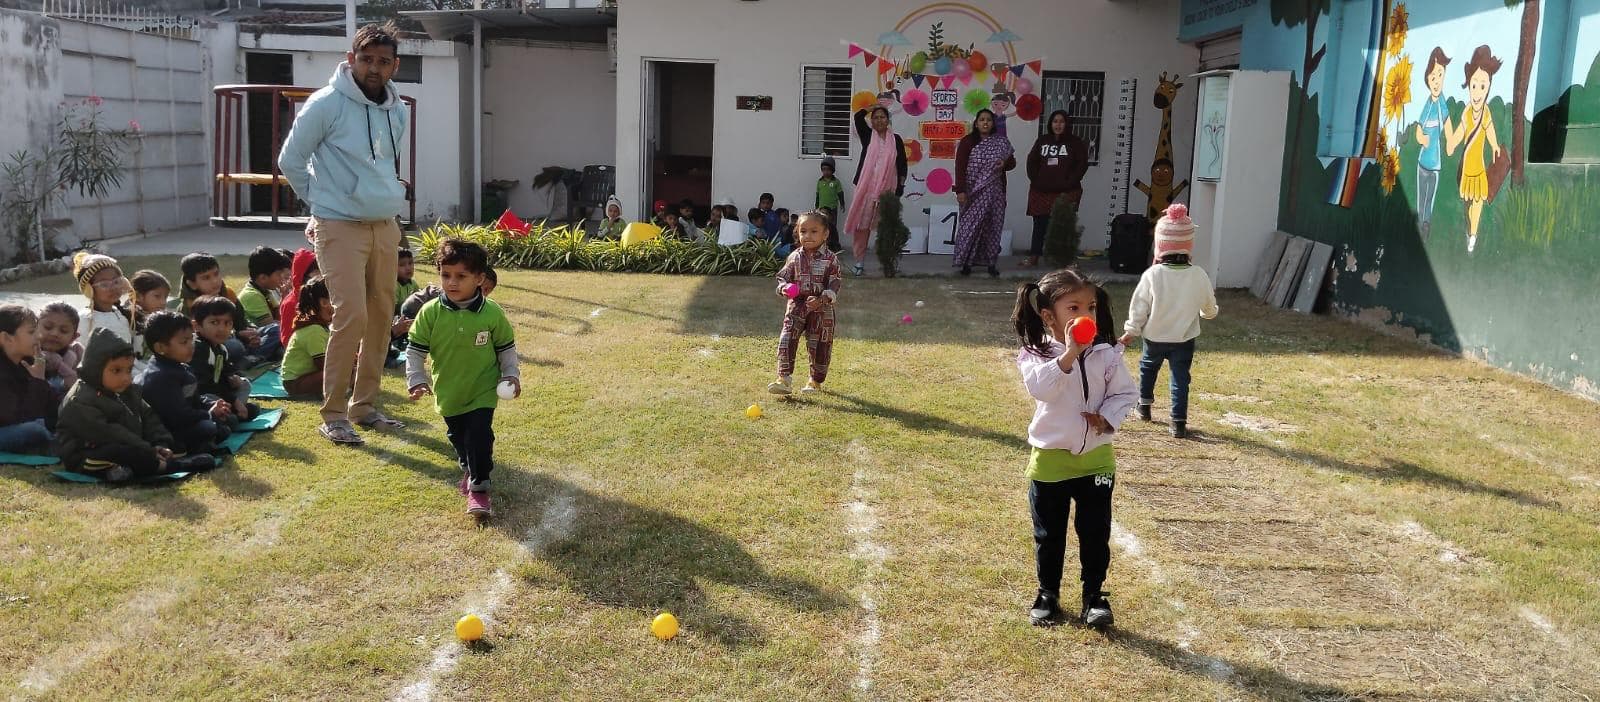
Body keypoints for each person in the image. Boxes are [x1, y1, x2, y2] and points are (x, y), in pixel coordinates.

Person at [278, 21, 411, 445]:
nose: (374, 68)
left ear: (394, 66)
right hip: (338, 225)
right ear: (351, 59)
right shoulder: (325, 104)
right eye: (367, 59)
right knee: (350, 313)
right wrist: (322, 204)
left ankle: (365, 406)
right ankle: (334, 412)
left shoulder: (398, 108)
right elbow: (291, 160)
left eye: (383, 61)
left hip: (384, 225)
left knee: (380, 314)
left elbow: (385, 164)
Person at [1013, 268, 1138, 628]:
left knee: (1095, 533)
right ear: (1049, 316)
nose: (1086, 315)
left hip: (1096, 461)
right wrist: (1069, 353)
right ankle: (1048, 593)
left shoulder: (1106, 354)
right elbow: (1042, 390)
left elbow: (1125, 393)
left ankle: (1094, 595)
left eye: (1092, 306)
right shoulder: (1035, 354)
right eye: (1074, 307)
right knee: (1049, 534)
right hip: (1051, 460)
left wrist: (1108, 417)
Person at [405, 239, 520, 517]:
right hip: (449, 391)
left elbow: (506, 347)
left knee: (480, 435)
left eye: (461, 276)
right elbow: (415, 350)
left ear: (479, 278)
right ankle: (469, 467)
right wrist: (417, 378)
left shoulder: (492, 313)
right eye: (446, 275)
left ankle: (479, 490)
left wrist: (511, 375)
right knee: (459, 437)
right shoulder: (430, 313)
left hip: (482, 389)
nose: (451, 283)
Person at [54, 327, 214, 480]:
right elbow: (109, 433)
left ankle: (124, 471)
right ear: (95, 369)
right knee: (122, 452)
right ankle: (170, 467)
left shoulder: (127, 390)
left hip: (133, 443)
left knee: (173, 445)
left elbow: (149, 416)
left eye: (129, 370)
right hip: (87, 453)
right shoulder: (80, 399)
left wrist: (160, 442)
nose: (125, 377)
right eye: (116, 370)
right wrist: (148, 449)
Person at [1118, 204, 1218, 439]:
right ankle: (1178, 422)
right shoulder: (1199, 274)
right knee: (1180, 378)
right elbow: (1208, 306)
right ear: (1188, 245)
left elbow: (1139, 307)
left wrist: (1131, 331)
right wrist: (1209, 313)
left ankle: (1144, 406)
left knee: (1148, 369)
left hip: (1154, 337)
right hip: (1184, 339)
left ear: (1160, 245)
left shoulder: (1153, 275)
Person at [766, 211, 842, 396]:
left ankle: (815, 381)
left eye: (814, 231)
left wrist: (823, 299)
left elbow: (835, 281)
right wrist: (784, 287)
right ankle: (783, 379)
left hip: (821, 309)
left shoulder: (830, 259)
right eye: (803, 231)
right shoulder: (794, 257)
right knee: (787, 339)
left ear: (825, 234)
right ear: (797, 233)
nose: (807, 236)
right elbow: (782, 277)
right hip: (796, 307)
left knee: (819, 345)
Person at [138, 310, 233, 456]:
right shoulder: (162, 376)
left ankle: (206, 440)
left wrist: (211, 405)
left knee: (226, 420)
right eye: (184, 342)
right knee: (209, 428)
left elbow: (193, 398)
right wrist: (208, 414)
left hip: (188, 418)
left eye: (191, 340)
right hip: (171, 430)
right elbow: (178, 416)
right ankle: (194, 446)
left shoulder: (179, 365)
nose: (191, 346)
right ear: (161, 348)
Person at [1445, 45, 1502, 254]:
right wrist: (1451, 141)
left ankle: (1474, 234)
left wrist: (1495, 145)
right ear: (1468, 85)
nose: (1477, 92)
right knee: (1467, 203)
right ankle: (1469, 229)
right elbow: (1459, 134)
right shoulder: (1467, 114)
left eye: (1482, 86)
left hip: (1478, 169)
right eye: (1474, 86)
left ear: (1488, 88)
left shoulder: (1485, 113)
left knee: (1477, 202)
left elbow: (1490, 131)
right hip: (1467, 169)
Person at [845, 106, 908, 276]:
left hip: (887, 190)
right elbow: (858, 117)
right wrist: (873, 107)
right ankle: (859, 262)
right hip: (865, 190)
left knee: (886, 227)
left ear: (888, 120)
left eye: (883, 117)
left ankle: (888, 264)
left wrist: (900, 186)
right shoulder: (867, 136)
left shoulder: (896, 139)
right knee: (862, 226)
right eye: (876, 117)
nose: (879, 120)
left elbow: (902, 164)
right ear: (871, 121)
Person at [953, 109, 1017, 278]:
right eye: (982, 119)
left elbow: (1012, 162)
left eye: (989, 120)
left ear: (993, 123)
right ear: (976, 123)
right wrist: (960, 190)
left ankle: (991, 263)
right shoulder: (967, 142)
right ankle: (966, 263)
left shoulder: (1001, 143)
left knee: (992, 227)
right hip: (972, 192)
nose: (986, 123)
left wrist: (1004, 163)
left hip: (996, 191)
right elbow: (960, 167)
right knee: (970, 226)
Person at [1024, 111, 1090, 268]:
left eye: (1061, 122)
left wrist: (1068, 183)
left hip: (1067, 191)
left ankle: (1067, 260)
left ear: (1067, 124)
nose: (1058, 125)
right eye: (1055, 121)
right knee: (1039, 224)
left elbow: (1081, 164)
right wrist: (1037, 180)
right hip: (1041, 191)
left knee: (1064, 225)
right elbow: (1031, 161)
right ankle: (1034, 257)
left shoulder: (1075, 142)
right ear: (1050, 124)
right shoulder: (1043, 140)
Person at [178, 252, 266, 366]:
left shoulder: (228, 293)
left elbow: (241, 321)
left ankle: (250, 356)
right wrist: (237, 335)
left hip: (234, 336)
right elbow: (196, 341)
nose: (215, 281)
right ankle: (240, 361)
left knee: (273, 330)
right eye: (206, 278)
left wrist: (249, 332)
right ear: (192, 284)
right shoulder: (190, 308)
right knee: (234, 347)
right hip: (213, 346)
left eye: (216, 274)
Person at [71, 252, 146, 376]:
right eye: (104, 284)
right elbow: (84, 358)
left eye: (116, 281)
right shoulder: (85, 319)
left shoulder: (120, 315)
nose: (113, 288)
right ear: (89, 290)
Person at [189, 296, 260, 425]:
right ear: (197, 326)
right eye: (215, 323)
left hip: (218, 391)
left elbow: (226, 372)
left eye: (227, 323)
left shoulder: (221, 348)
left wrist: (234, 379)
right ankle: (229, 414)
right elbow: (203, 385)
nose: (222, 329)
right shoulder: (198, 348)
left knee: (244, 384)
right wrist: (234, 400)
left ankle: (232, 412)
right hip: (202, 395)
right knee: (212, 399)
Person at [0, 305, 56, 453]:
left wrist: (40, 381)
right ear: (6, 338)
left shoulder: (25, 361)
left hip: (18, 422)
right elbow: (18, 417)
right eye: (32, 332)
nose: (39, 336)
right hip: (6, 429)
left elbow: (49, 410)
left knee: (58, 387)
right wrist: (38, 381)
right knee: (34, 430)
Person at [1414, 48, 1452, 240]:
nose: (1437, 81)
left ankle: (1426, 224)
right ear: (1427, 79)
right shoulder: (1428, 104)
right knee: (1421, 199)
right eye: (1433, 76)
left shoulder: (1441, 103)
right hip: (1422, 164)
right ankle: (1422, 224)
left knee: (1429, 198)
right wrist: (1421, 138)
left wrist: (1452, 141)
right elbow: (1418, 129)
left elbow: (1448, 124)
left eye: (1440, 75)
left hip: (1435, 165)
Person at [282, 276, 335, 399]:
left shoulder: (320, 325)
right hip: (295, 383)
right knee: (339, 372)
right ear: (324, 302)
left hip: (308, 376)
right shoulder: (314, 330)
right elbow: (324, 364)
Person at [237, 246, 291, 359]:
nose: (282, 278)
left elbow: (278, 316)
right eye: (278, 274)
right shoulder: (252, 295)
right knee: (278, 329)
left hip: (267, 337)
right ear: (262, 278)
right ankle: (256, 357)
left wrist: (285, 297)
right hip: (252, 341)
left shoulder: (266, 291)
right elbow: (271, 325)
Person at [37, 302, 83, 393]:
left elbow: (78, 388)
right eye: (48, 327)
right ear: (34, 328)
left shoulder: (75, 356)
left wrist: (59, 365)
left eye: (64, 331)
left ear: (73, 338)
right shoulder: (24, 353)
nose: (55, 334)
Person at [277, 249, 318, 347]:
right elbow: (287, 339)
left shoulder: (319, 296)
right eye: (317, 271)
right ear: (304, 275)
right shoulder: (291, 303)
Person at [388, 247, 420, 367]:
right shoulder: (393, 285)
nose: (408, 267)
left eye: (410, 263)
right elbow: (394, 308)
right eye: (402, 265)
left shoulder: (413, 283)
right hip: (395, 319)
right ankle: (394, 343)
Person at [815, 156, 847, 253]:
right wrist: (816, 206)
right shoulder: (819, 182)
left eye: (828, 170)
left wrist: (842, 203)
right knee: (821, 227)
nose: (826, 172)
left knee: (832, 227)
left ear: (832, 170)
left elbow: (840, 193)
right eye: (824, 170)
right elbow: (817, 195)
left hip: (832, 209)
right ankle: (822, 245)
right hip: (821, 209)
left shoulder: (836, 182)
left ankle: (834, 245)